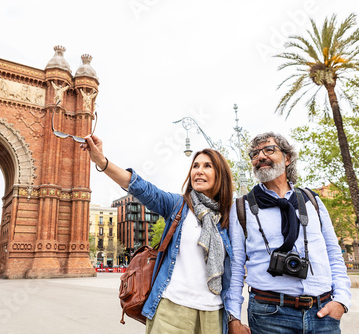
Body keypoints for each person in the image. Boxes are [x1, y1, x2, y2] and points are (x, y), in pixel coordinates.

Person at [82, 135, 242, 334]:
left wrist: (234, 317)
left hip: (214, 315)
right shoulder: (177, 205)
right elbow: (141, 188)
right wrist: (102, 163)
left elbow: (237, 271)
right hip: (171, 310)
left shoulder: (231, 216)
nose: (199, 171)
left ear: (221, 174)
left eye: (207, 166)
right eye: (195, 166)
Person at [226, 132, 351, 334]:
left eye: (269, 149)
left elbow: (333, 254)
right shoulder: (242, 207)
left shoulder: (312, 201)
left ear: (287, 158)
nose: (260, 156)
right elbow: (235, 267)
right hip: (269, 316)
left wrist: (341, 301)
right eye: (254, 154)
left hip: (323, 313)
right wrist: (233, 317)